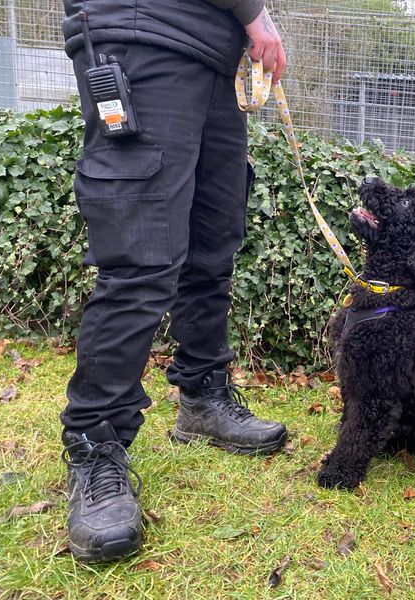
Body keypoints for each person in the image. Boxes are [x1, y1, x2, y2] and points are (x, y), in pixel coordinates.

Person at [58, 0, 288, 563]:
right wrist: (254, 13)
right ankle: (95, 445)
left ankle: (203, 395)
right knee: (141, 258)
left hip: (214, 56)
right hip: (144, 36)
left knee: (213, 245)